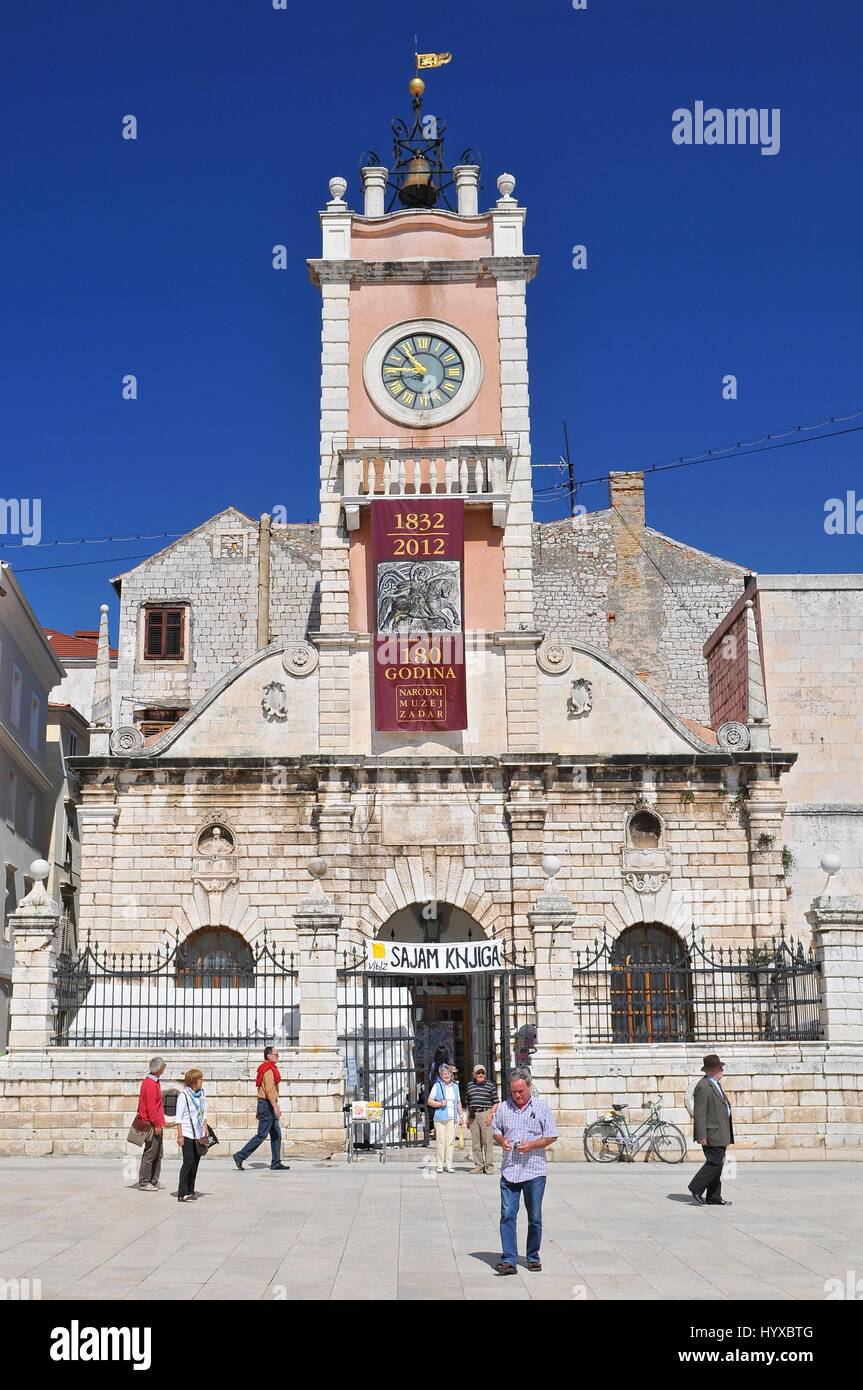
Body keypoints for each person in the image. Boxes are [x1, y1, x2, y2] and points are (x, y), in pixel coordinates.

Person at [492, 1066, 558, 1274]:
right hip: (510, 1170)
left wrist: (531, 1145)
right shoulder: (504, 1108)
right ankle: (509, 1259)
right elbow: (496, 1130)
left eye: (521, 1091)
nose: (517, 1095)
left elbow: (551, 1135)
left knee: (535, 1216)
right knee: (507, 1214)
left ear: (529, 1087)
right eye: (514, 1092)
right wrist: (502, 1141)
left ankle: (532, 1256)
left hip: (533, 1171)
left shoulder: (540, 1108)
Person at [688, 1053, 734, 1206]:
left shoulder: (715, 1083)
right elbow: (699, 1113)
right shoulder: (703, 1086)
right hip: (711, 1132)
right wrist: (701, 1135)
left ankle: (714, 1196)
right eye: (720, 1067)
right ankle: (696, 1187)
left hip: (720, 1132)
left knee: (718, 1164)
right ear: (713, 1069)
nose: (722, 1070)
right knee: (714, 1162)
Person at [233, 1045, 289, 1171]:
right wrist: (275, 1107)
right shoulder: (268, 1070)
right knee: (261, 1135)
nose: (278, 1057)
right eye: (276, 1055)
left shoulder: (267, 1068)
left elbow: (264, 1090)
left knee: (276, 1135)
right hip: (267, 1104)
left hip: (266, 1103)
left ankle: (276, 1162)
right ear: (268, 1056)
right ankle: (240, 1156)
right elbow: (269, 1090)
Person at [176, 1067, 209, 1203]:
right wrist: (180, 1136)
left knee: (195, 1163)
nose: (202, 1082)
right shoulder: (183, 1096)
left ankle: (190, 1190)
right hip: (188, 1133)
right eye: (200, 1079)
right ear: (194, 1081)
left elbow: (204, 1110)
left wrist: (205, 1127)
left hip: (199, 1133)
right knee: (188, 1162)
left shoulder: (201, 1093)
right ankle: (182, 1192)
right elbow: (179, 1118)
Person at [135, 1056, 166, 1191]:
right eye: (163, 1066)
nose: (164, 1069)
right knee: (150, 1153)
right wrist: (157, 1124)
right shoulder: (150, 1084)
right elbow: (151, 1107)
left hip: (156, 1122)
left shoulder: (154, 1082)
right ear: (159, 1068)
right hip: (152, 1124)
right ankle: (144, 1181)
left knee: (158, 1153)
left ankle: (154, 1179)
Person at [427, 1062, 464, 1174]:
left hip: (452, 1117)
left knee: (450, 1142)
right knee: (441, 1141)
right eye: (444, 1074)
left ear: (451, 1075)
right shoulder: (437, 1086)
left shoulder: (455, 1087)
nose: (446, 1075)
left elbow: (458, 1102)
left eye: (448, 1073)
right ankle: (439, 1165)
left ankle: (449, 1165)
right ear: (441, 1075)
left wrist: (461, 1115)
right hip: (440, 1118)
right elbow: (429, 1101)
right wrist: (440, 1104)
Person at [466, 1063, 499, 1174]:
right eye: (478, 1073)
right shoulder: (470, 1085)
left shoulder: (490, 1085)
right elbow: (467, 1102)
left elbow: (495, 1102)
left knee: (487, 1142)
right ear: (474, 1074)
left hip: (486, 1113)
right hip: (473, 1115)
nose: (481, 1074)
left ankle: (489, 1166)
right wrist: (467, 1118)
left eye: (482, 1073)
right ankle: (479, 1166)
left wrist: (491, 1114)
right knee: (476, 1143)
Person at [423, 1045, 449, 1148]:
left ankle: (436, 1133)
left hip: (435, 1088)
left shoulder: (434, 1065)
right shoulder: (446, 1066)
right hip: (444, 1088)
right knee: (445, 1110)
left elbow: (430, 1078)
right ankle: (443, 1133)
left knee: (436, 1112)